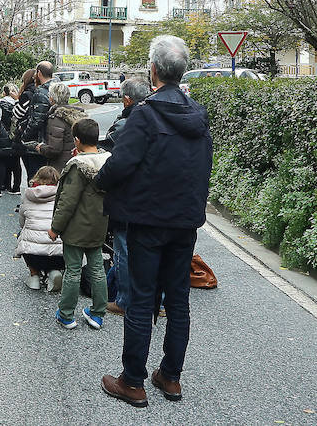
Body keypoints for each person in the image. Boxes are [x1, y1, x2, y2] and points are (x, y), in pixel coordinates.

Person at [97, 35, 213, 407]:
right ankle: (171, 377)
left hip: (147, 219)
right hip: (184, 221)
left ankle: (132, 381)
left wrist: (99, 182)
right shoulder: (197, 114)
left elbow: (121, 164)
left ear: (153, 71)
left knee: (142, 300)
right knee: (177, 299)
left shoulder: (146, 114)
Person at [48, 118, 111, 330]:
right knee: (97, 269)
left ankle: (66, 314)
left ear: (77, 141)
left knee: (73, 270)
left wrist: (55, 227)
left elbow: (67, 201)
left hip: (76, 228)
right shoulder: (109, 162)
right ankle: (98, 313)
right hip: (99, 224)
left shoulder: (77, 166)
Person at [102, 77, 153, 316]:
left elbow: (113, 161)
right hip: (158, 198)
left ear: (126, 99)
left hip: (129, 198)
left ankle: (123, 301)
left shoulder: (126, 125)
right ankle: (159, 302)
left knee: (123, 250)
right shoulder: (159, 117)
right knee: (153, 252)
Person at [15, 166, 64, 292]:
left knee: (22, 233)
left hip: (33, 253)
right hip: (59, 251)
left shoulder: (28, 195)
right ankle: (54, 271)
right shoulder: (64, 195)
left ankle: (34, 275)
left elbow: (22, 222)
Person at [29, 82, 87, 175]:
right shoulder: (78, 115)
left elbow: (55, 149)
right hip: (77, 161)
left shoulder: (56, 119)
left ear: (52, 98)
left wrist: (41, 147)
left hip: (60, 166)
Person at [15, 62, 54, 179]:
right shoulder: (57, 88)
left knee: (35, 178)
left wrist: (24, 135)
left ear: (39, 73)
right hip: (53, 140)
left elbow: (36, 120)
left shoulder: (41, 92)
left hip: (38, 143)